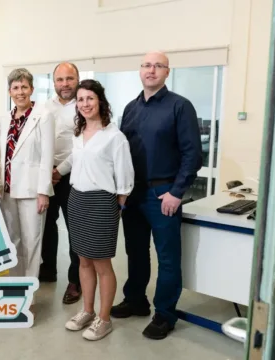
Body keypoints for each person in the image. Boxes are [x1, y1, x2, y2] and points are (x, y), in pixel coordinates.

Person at [111, 51, 203, 340]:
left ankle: (165, 314)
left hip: (164, 194)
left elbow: (192, 155)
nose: (151, 70)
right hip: (133, 195)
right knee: (135, 253)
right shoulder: (130, 108)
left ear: (167, 72)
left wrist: (177, 193)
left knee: (167, 257)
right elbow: (122, 153)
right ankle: (136, 299)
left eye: (158, 66)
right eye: (147, 65)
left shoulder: (180, 106)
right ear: (140, 71)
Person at [57, 79, 134, 341]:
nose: (85, 104)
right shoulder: (78, 134)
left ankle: (104, 319)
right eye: (80, 99)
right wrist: (56, 172)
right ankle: (87, 311)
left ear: (100, 100)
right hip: (76, 199)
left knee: (102, 264)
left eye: (90, 98)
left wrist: (117, 207)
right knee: (83, 260)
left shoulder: (115, 137)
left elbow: (125, 178)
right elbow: (75, 161)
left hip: (102, 202)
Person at [0, 68, 54, 297]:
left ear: (31, 89)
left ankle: (28, 293)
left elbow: (47, 156)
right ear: (9, 91)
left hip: (32, 191)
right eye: (15, 87)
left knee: (32, 242)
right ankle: (14, 288)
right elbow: (2, 154)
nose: (20, 92)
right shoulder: (5, 118)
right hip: (8, 190)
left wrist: (44, 192)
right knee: (13, 242)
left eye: (24, 87)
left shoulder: (44, 115)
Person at [40, 62, 83, 305]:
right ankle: (48, 269)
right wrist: (48, 171)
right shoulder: (45, 106)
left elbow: (84, 144)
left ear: (77, 79)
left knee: (75, 229)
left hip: (74, 176)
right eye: (60, 79)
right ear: (53, 82)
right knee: (46, 224)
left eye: (69, 78)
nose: (65, 84)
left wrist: (60, 170)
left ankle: (75, 280)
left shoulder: (85, 104)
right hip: (47, 174)